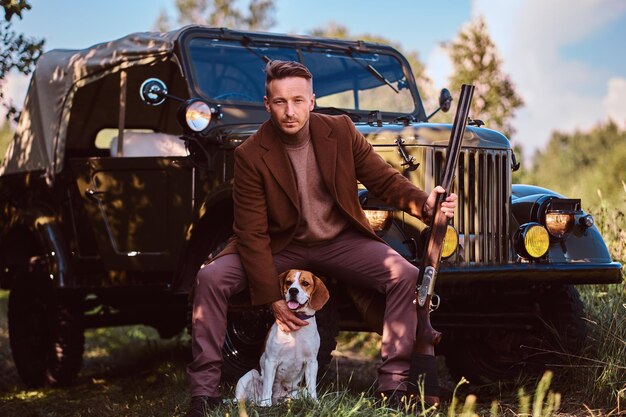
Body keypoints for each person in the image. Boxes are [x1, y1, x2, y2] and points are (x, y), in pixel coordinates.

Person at [184, 60, 457, 416]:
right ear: (267, 104)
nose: (289, 111)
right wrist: (272, 298)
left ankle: (395, 386)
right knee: (210, 278)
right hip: (281, 246)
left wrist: (425, 203)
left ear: (312, 101)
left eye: (298, 101)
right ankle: (204, 391)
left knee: (405, 275)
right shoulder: (250, 154)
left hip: (338, 241)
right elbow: (251, 233)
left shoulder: (341, 131)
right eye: (280, 102)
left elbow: (384, 180)